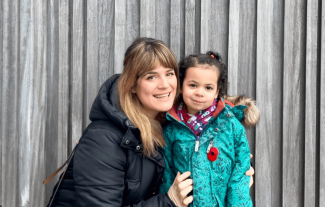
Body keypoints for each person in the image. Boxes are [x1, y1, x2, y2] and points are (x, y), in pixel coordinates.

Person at [46, 38, 255, 207]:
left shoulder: (169, 121)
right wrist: (168, 202)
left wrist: (230, 169)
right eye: (151, 77)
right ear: (133, 85)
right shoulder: (103, 139)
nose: (164, 85)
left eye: (169, 74)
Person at [159, 51, 259, 207]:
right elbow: (166, 173)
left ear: (217, 92)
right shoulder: (171, 128)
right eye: (193, 85)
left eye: (208, 87)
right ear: (180, 86)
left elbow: (241, 171)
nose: (199, 92)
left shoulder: (230, 125)